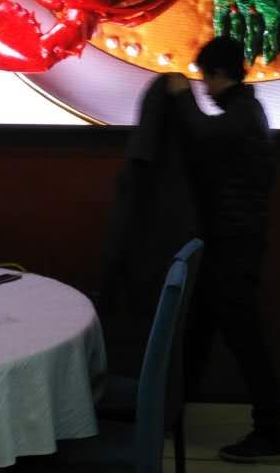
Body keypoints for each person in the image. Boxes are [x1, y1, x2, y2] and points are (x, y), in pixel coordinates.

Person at [166, 36, 280, 464]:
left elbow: (202, 132)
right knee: (199, 332)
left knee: (243, 338)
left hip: (236, 247)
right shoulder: (247, 111)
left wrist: (180, 96)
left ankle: (271, 433)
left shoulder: (242, 114)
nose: (204, 89)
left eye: (205, 80)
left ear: (219, 75)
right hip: (229, 244)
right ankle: (169, 412)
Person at [96, 72, 199, 379]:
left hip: (131, 316)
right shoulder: (192, 179)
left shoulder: (139, 173)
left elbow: (117, 243)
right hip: (168, 347)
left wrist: (103, 292)